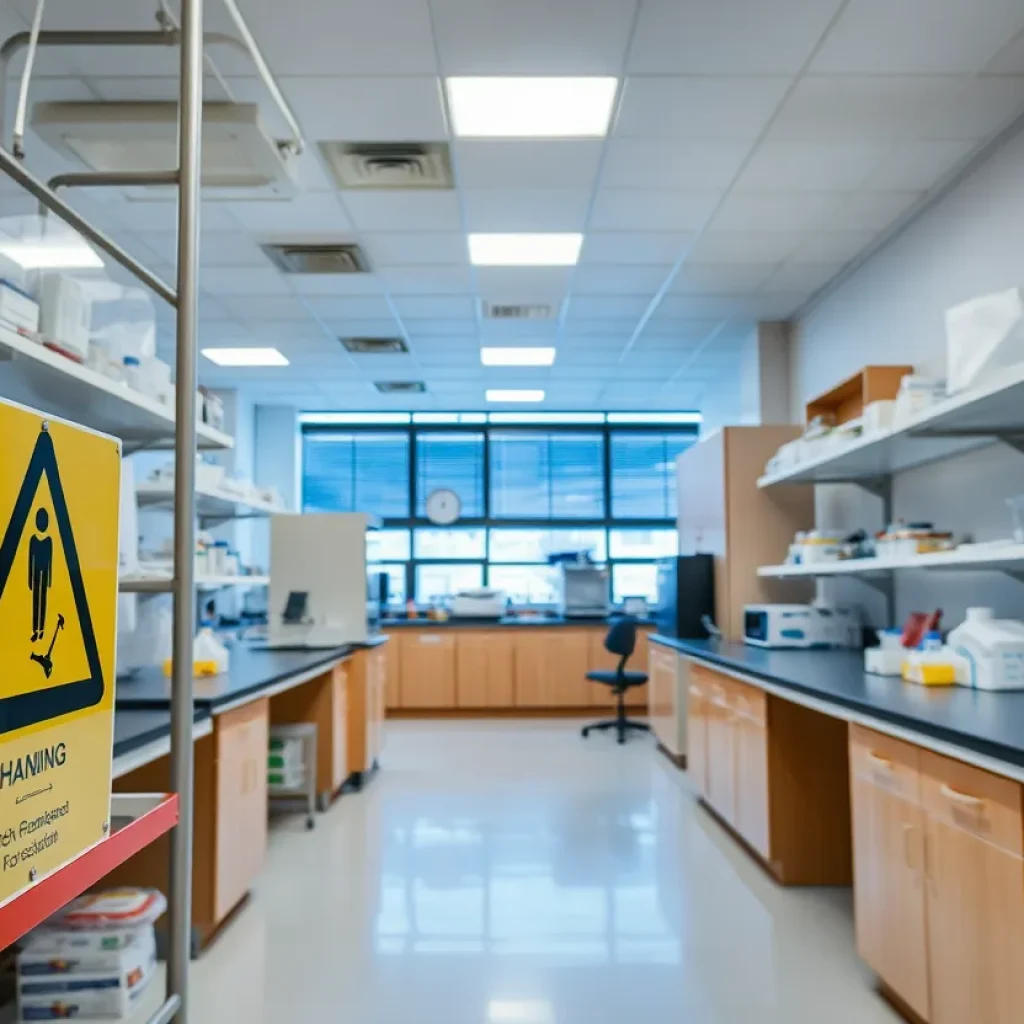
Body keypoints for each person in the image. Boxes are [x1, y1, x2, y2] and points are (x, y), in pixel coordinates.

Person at [28, 507, 53, 643]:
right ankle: (34, 630)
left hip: (44, 575)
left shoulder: (49, 540)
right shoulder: (33, 539)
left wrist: (50, 580)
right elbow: (29, 560)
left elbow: (51, 561)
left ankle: (42, 630)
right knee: (35, 603)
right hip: (36, 574)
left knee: (43, 602)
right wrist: (29, 580)